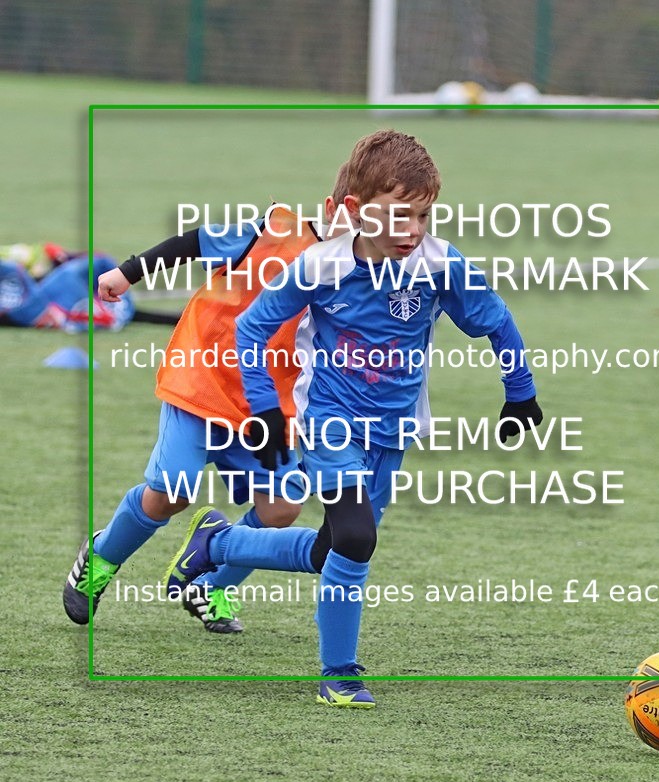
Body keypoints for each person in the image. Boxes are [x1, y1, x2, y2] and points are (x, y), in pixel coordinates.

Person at [162, 129, 543, 707]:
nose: (412, 231)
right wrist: (266, 411)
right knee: (358, 538)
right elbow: (253, 328)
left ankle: (219, 545)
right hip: (330, 421)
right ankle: (340, 674)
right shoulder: (321, 265)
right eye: (398, 215)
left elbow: (496, 320)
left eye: (423, 216)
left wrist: (520, 394)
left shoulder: (440, 264)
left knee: (331, 549)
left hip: (394, 432)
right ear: (355, 211)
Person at [63, 163, 351, 633]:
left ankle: (212, 584)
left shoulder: (358, 278)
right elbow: (195, 241)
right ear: (331, 209)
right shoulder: (273, 230)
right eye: (357, 223)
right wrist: (128, 272)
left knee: (282, 507)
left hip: (262, 408)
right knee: (170, 495)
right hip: (200, 383)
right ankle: (100, 556)